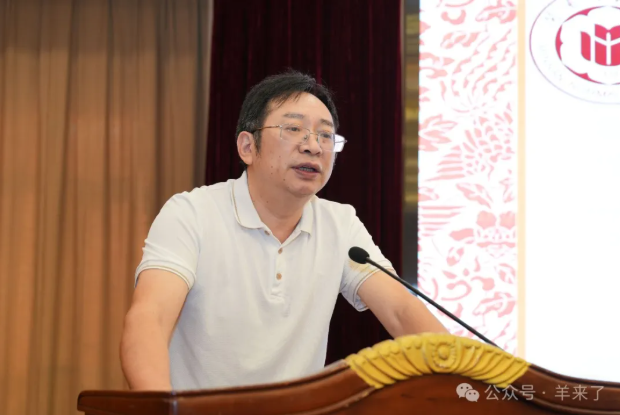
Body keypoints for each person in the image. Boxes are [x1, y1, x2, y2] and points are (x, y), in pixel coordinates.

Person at [119, 70, 448, 391]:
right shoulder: (191, 213)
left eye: (325, 135)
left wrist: (469, 378)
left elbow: (402, 311)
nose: (313, 146)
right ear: (248, 146)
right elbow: (151, 317)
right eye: (293, 129)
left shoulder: (340, 224)